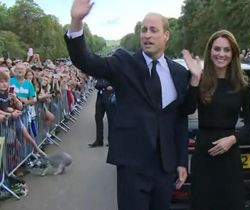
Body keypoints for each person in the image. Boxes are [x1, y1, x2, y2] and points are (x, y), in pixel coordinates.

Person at [65, 1, 189, 210]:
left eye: (153, 30)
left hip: (165, 168)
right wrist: (76, 22)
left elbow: (179, 119)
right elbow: (86, 60)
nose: (147, 35)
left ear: (166, 35)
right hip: (133, 166)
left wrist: (181, 161)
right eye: (143, 30)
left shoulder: (178, 72)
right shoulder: (123, 63)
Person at [181, 30, 250, 210]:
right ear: (210, 51)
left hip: (230, 156)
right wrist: (195, 79)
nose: (221, 54)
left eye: (227, 50)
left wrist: (233, 138)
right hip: (204, 155)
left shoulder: (243, 84)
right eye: (217, 49)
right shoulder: (199, 79)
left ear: (233, 54)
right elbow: (186, 109)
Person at [89, 78, 114, 147]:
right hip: (100, 96)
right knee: (98, 118)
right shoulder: (101, 73)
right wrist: (106, 86)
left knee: (111, 119)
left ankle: (111, 140)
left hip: (109, 96)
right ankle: (99, 140)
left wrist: (102, 85)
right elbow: (96, 84)